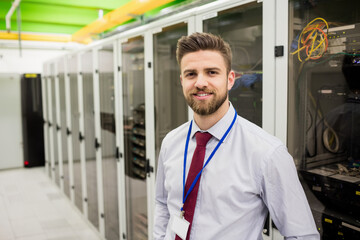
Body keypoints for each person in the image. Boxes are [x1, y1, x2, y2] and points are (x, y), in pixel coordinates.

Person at [154, 32, 319, 240]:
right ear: (182, 81)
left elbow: (302, 235)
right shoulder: (171, 142)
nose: (200, 82)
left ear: (230, 79)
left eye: (212, 72)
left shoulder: (267, 153)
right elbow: (162, 202)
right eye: (191, 74)